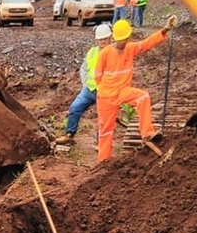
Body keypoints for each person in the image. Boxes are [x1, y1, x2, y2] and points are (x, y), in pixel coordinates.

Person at [94, 15, 177, 162]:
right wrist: (104, 91)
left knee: (143, 96)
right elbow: (97, 77)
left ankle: (147, 133)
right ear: (114, 38)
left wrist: (165, 29)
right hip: (106, 96)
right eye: (121, 39)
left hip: (122, 92)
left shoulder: (130, 48)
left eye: (126, 38)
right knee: (106, 131)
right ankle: (103, 161)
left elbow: (146, 44)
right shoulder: (105, 53)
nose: (123, 42)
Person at [55, 23, 112, 145]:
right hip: (90, 89)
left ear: (110, 38)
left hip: (105, 91)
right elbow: (84, 68)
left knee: (103, 118)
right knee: (75, 108)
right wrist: (85, 83)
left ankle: (100, 143)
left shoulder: (113, 53)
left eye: (105, 39)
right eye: (100, 39)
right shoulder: (92, 52)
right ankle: (69, 135)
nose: (102, 41)